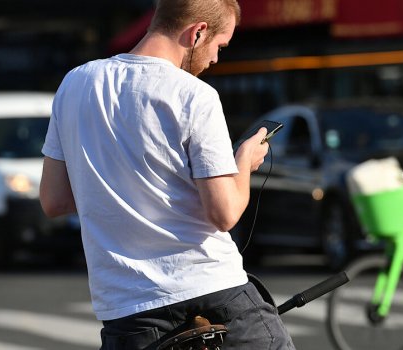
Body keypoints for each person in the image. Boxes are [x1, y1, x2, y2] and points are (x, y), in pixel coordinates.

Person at [39, 1, 295, 349]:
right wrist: (243, 162)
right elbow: (225, 213)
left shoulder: (74, 84)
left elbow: (54, 201)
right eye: (219, 47)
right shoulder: (195, 96)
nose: (216, 60)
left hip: (127, 312)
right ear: (197, 32)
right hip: (213, 294)